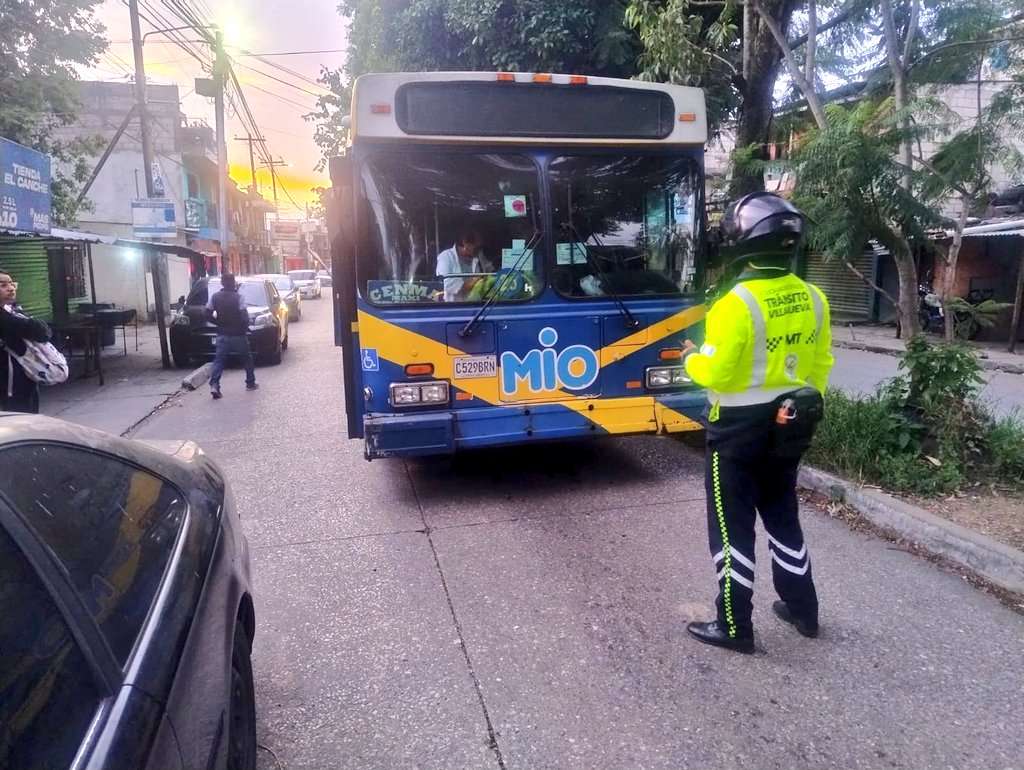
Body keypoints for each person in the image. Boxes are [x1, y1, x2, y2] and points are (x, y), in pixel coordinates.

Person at [681, 192, 834, 654]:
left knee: (731, 527)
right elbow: (820, 365)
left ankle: (734, 625)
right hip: (791, 421)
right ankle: (803, 610)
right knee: (783, 517)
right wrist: (796, 408)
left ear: (741, 242)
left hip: (736, 430)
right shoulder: (814, 297)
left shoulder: (735, 304)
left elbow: (719, 372)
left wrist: (693, 360)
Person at [0, 271, 52, 414]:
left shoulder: (13, 311)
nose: (11, 288)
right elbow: (42, 333)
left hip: (24, 375)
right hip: (12, 383)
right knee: (22, 418)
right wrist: (31, 322)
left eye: (11, 283)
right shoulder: (6, 318)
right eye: (3, 285)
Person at [206, 273, 258, 399]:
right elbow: (244, 316)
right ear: (233, 282)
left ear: (222, 283)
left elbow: (206, 313)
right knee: (247, 358)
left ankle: (214, 385)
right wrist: (245, 328)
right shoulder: (239, 297)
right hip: (238, 334)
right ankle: (250, 382)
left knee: (219, 360)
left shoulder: (215, 297)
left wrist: (217, 322)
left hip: (222, 334)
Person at [436, 230, 485, 302]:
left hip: (475, 306)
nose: (478, 249)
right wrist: (472, 283)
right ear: (465, 243)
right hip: (454, 307)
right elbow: (446, 285)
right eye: (476, 246)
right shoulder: (446, 257)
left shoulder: (476, 259)